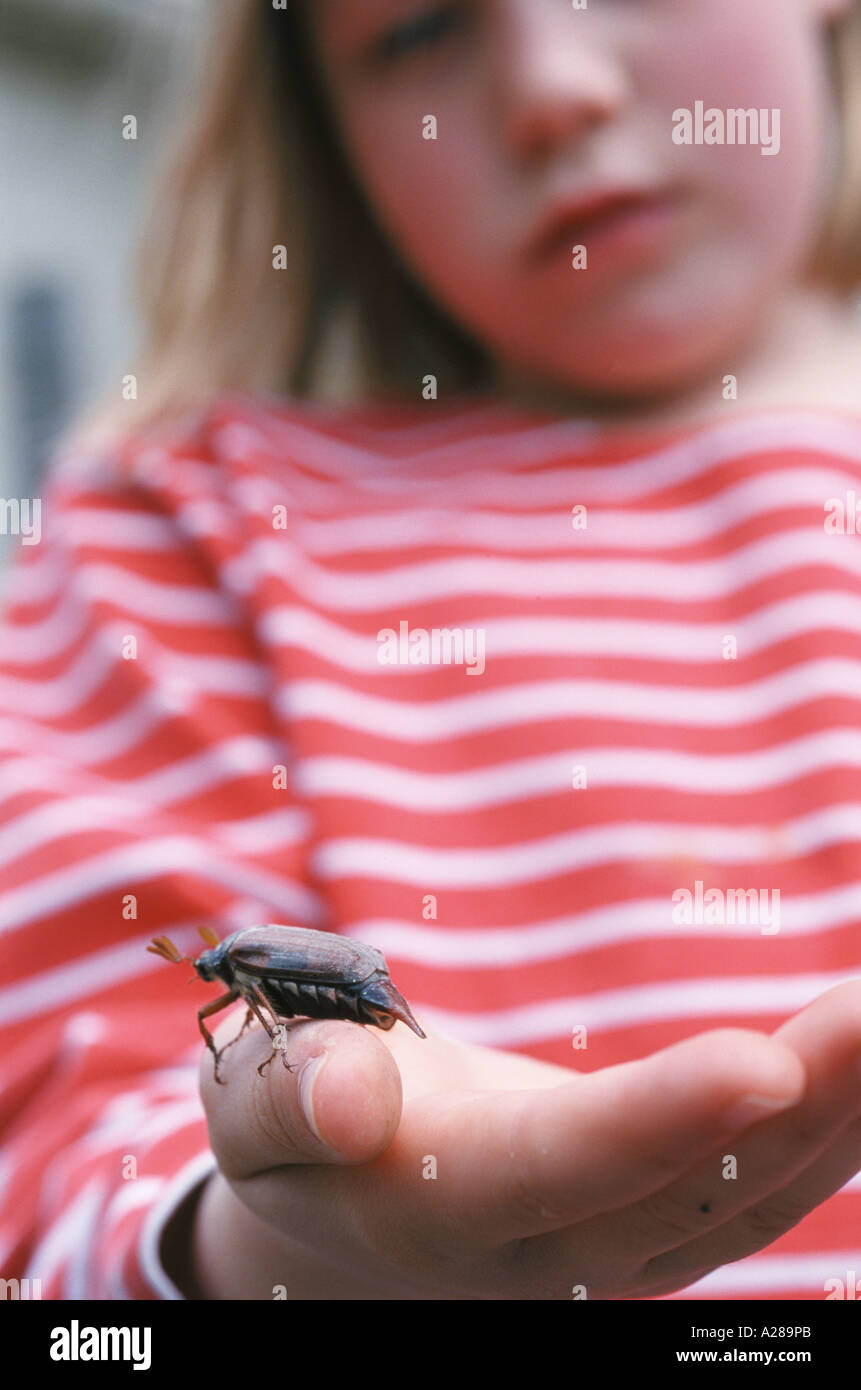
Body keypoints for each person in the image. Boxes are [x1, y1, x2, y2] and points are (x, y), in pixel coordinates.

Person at [2, 0, 861, 1301]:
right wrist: (264, 1240)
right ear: (313, 117)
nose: (552, 89)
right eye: (414, 31)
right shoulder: (184, 528)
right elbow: (67, 1193)